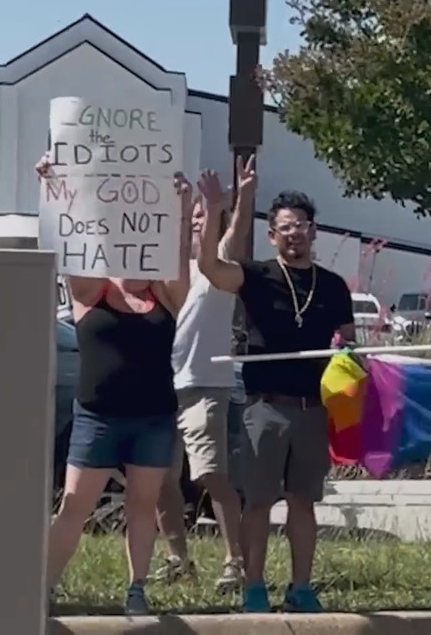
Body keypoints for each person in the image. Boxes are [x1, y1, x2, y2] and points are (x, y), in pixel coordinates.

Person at [38, 155, 192, 615]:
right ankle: (42, 587)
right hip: (97, 417)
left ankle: (136, 590)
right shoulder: (92, 291)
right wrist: (54, 185)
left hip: (153, 417)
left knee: (142, 505)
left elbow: (181, 266)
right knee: (74, 504)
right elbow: (70, 234)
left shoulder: (165, 295)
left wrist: (181, 212)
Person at [194, 176, 355, 613]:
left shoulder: (335, 286)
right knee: (259, 502)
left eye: (301, 224)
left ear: (313, 230)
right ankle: (254, 587)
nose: (294, 232)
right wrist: (213, 209)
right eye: (285, 226)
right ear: (273, 234)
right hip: (265, 406)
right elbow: (209, 266)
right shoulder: (256, 276)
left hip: (313, 409)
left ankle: (301, 587)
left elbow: (351, 349)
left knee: (303, 503)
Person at [152, 157, 256, 589]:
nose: (200, 220)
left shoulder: (222, 268)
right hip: (164, 386)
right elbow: (176, 265)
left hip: (206, 386)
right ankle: (179, 559)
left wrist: (240, 195)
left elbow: (237, 230)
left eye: (205, 215)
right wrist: (181, 207)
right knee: (159, 478)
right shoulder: (179, 272)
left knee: (211, 475)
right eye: (196, 215)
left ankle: (236, 561)